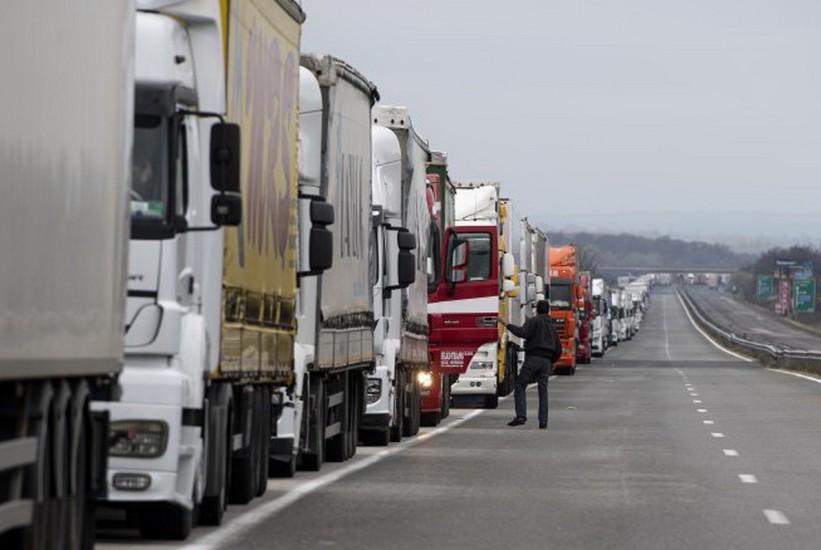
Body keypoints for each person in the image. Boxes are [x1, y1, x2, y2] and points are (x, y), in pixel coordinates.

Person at [499, 300, 562, 429]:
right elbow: (558, 347)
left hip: (533, 358)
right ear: (548, 310)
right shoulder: (552, 326)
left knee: (520, 385)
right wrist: (553, 361)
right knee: (543, 390)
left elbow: (522, 333)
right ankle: (543, 421)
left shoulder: (534, 321)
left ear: (537, 310)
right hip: (546, 361)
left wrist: (507, 324)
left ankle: (521, 417)